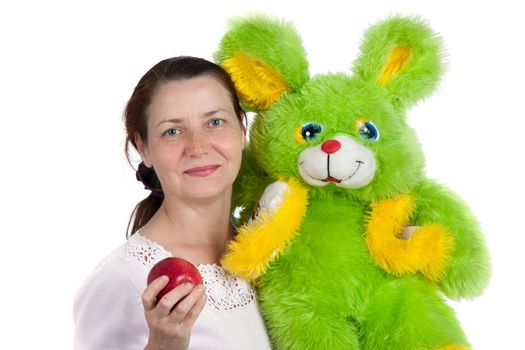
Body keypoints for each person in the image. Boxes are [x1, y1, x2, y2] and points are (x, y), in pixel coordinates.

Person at [73, 56, 272, 350]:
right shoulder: (123, 280)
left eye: (215, 122)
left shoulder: (271, 250)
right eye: (172, 131)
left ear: (242, 129)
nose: (198, 147)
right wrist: (164, 344)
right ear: (144, 149)